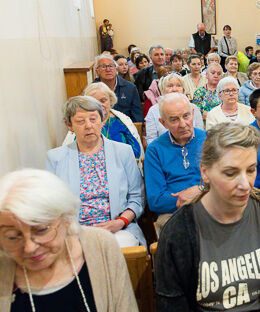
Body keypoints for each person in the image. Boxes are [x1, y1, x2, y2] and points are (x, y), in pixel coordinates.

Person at [154, 123, 260, 312]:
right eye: (230, 173)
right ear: (205, 172)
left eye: (251, 170)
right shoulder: (179, 230)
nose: (245, 185)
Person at [0, 169, 140, 312]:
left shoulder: (100, 245)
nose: (29, 248)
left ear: (67, 218)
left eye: (41, 230)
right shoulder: (4, 265)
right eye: (12, 237)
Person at [48, 96, 146, 247]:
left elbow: (136, 198)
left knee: (116, 248)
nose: (88, 126)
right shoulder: (56, 158)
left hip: (118, 229)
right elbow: (52, 205)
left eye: (93, 119)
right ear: (69, 125)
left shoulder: (123, 151)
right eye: (80, 121)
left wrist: (120, 222)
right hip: (74, 232)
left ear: (102, 120)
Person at [145, 93, 206, 229]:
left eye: (186, 116)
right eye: (174, 120)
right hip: (173, 213)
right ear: (163, 123)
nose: (183, 124)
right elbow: (156, 200)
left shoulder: (210, 140)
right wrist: (188, 199)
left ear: (193, 113)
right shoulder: (154, 150)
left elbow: (222, 182)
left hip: (210, 206)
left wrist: (201, 190)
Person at [63, 83, 144, 160]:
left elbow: (136, 152)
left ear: (111, 100)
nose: (99, 105)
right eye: (93, 101)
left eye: (103, 100)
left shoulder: (122, 121)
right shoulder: (79, 125)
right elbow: (69, 155)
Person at [145, 73, 203, 145]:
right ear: (162, 90)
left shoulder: (193, 108)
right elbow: (151, 139)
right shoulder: (153, 111)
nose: (174, 89)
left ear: (183, 89)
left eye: (178, 86)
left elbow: (199, 135)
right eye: (170, 86)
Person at [93, 54, 143, 122]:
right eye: (103, 66)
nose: (108, 69)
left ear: (116, 69)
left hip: (125, 129)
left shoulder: (130, 88)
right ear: (97, 71)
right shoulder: (91, 90)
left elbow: (137, 117)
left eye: (111, 66)